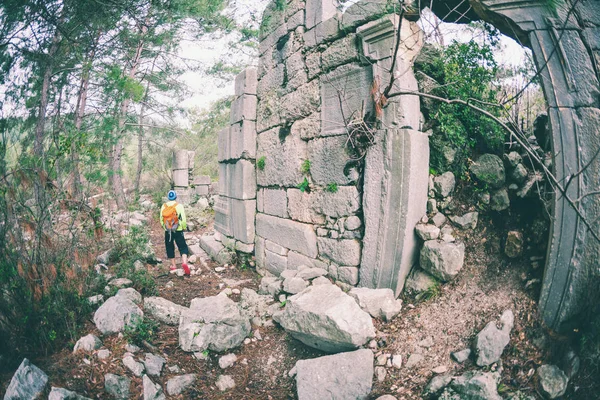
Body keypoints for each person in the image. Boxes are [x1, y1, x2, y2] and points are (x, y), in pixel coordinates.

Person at [160, 190, 190, 275]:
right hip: (178, 229)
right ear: (176, 197)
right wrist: (183, 227)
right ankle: (184, 262)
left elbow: (161, 219)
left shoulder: (164, 206)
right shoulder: (179, 206)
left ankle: (173, 265)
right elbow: (183, 219)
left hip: (168, 230)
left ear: (168, 198)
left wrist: (165, 227)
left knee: (169, 247)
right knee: (182, 246)